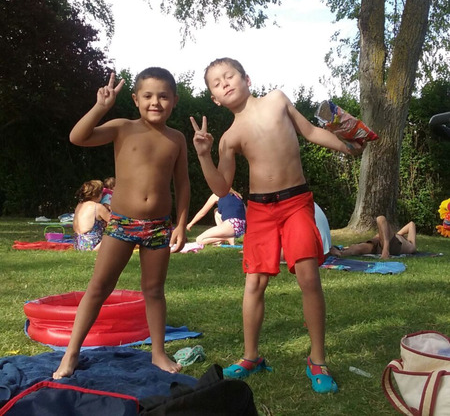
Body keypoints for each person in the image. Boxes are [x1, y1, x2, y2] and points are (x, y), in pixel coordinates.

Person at [190, 57, 364, 393]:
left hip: (296, 202)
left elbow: (311, 131)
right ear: (215, 99)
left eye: (229, 76)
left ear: (247, 79)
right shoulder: (228, 137)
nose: (225, 83)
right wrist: (203, 155)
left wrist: (347, 147)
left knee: (308, 276)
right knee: (254, 283)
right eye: (217, 83)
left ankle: (317, 360)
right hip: (259, 210)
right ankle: (251, 357)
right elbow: (222, 188)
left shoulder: (277, 100)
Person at [53, 67, 190, 379]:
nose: (155, 102)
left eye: (163, 96)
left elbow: (182, 184)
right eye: (148, 96)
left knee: (154, 290)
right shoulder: (122, 127)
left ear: (174, 100)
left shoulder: (177, 139)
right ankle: (71, 353)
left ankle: (158, 353)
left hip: (159, 226)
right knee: (99, 287)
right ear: (135, 99)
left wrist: (181, 224)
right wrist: (101, 107)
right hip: (121, 224)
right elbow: (78, 137)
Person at [329, 216, 417, 259]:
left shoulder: (410, 245)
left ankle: (385, 251)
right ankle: (340, 253)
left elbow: (411, 224)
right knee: (359, 248)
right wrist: (399, 234)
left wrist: (398, 235)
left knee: (381, 218)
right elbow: (410, 225)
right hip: (379, 243)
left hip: (390, 246)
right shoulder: (399, 237)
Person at [73, 179, 111, 251]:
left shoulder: (80, 205)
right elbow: (114, 221)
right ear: (97, 194)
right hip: (91, 245)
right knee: (116, 230)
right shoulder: (97, 207)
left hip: (78, 244)